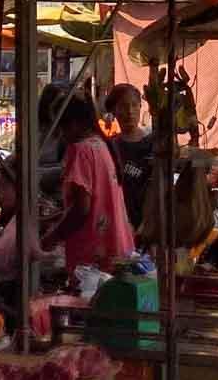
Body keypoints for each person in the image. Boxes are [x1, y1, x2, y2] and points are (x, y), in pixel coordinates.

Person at [42, 96, 136, 271]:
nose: (61, 135)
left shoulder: (80, 151)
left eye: (61, 128)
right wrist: (51, 220)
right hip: (117, 247)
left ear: (75, 124)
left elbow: (81, 209)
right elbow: (93, 204)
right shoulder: (101, 145)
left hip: (93, 256)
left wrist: (52, 238)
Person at [106, 82, 157, 226]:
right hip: (118, 223)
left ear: (141, 107)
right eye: (123, 106)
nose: (130, 111)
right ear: (114, 111)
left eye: (135, 105)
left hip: (149, 224)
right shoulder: (109, 146)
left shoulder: (153, 144)